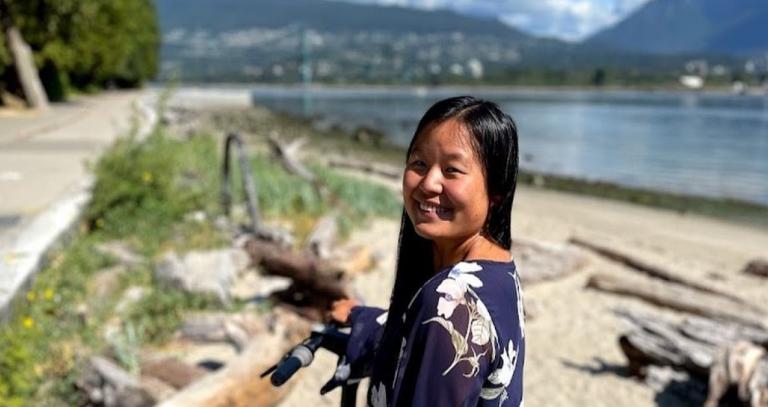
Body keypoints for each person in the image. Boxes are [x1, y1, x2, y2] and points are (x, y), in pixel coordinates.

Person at [331, 96, 525, 406]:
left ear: (496, 192)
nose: (429, 183)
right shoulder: (499, 272)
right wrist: (362, 318)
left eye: (452, 170)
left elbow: (441, 328)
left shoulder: (450, 303)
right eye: (419, 163)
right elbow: (420, 338)